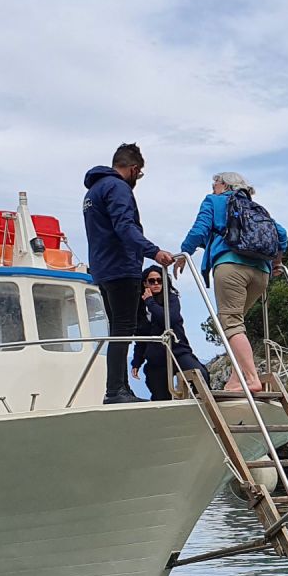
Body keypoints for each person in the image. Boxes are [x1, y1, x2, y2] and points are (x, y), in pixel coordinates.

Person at [176, 172, 288, 394]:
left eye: (214, 184)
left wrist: (183, 253)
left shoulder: (214, 201)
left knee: (231, 323)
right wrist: (277, 262)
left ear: (224, 185)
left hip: (230, 267)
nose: (212, 188)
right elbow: (281, 234)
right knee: (236, 325)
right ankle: (236, 381)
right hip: (261, 274)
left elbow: (200, 229)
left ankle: (251, 377)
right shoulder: (255, 208)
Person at [82, 143, 175, 404]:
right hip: (121, 267)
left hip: (102, 269)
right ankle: (115, 391)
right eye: (140, 174)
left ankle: (120, 388)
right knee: (123, 328)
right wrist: (154, 252)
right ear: (134, 169)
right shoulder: (117, 187)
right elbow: (125, 227)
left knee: (118, 329)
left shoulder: (93, 191)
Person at [131, 265, 205, 401]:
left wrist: (150, 302)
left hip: (177, 351)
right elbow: (141, 337)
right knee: (159, 393)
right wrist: (136, 362)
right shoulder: (139, 309)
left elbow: (171, 319)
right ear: (145, 283)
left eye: (159, 280)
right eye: (152, 281)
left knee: (200, 375)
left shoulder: (171, 299)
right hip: (156, 357)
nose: (156, 284)